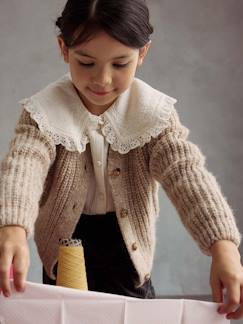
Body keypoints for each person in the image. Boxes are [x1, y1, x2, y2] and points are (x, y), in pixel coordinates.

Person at [0, 0, 242, 319]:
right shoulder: (42, 113)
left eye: (120, 64)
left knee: (133, 313)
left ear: (142, 54)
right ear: (64, 48)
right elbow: (24, 164)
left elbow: (186, 173)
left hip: (127, 243)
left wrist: (222, 245)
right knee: (67, 314)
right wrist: (13, 227)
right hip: (66, 243)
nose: (102, 80)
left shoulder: (155, 115)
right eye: (86, 63)